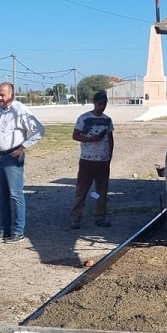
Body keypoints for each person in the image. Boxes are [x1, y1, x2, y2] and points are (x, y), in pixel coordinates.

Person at [0, 82, 44, 244]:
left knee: (15, 194)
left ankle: (18, 231)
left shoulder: (20, 110)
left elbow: (39, 130)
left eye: (3, 95)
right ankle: (5, 230)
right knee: (2, 195)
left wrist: (23, 147)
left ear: (12, 95)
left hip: (13, 156)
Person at [70, 90, 114, 229]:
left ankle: (99, 216)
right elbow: (75, 135)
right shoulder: (83, 118)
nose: (102, 107)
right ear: (94, 103)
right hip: (87, 160)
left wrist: (110, 155)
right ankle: (76, 218)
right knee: (82, 190)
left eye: (104, 104)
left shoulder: (107, 120)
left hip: (103, 161)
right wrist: (89, 139)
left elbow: (110, 138)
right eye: (100, 104)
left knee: (100, 191)